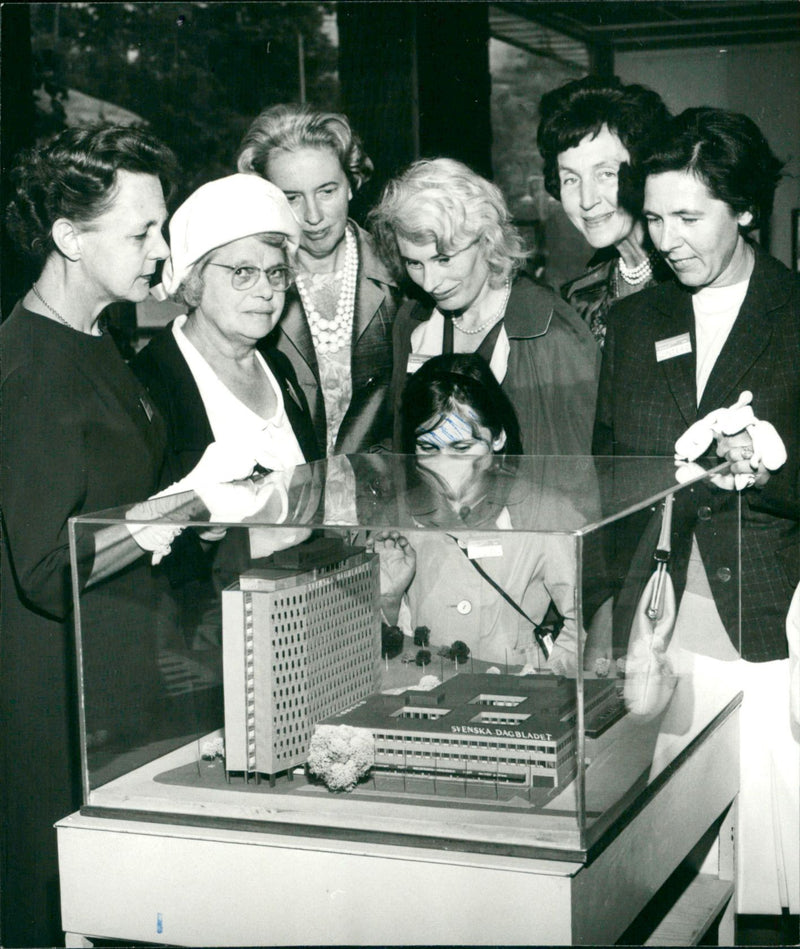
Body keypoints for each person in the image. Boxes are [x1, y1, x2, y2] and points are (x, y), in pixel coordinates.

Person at [594, 108, 799, 923]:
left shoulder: (795, 314)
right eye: (653, 219)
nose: (667, 240)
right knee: (671, 874)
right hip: (660, 630)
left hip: (767, 627)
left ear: (744, 208)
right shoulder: (633, 320)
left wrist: (774, 463)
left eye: (688, 217)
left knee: (768, 864)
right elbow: (609, 473)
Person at [0, 124, 179, 948]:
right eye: (142, 232)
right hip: (49, 708)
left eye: (161, 227)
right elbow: (45, 569)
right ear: (69, 238)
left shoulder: (95, 338)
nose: (161, 250)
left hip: (107, 682)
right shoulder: (29, 369)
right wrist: (167, 517)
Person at [132, 173, 321, 639]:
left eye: (276, 273)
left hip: (303, 617)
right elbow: (142, 551)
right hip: (204, 637)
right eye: (242, 272)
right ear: (194, 278)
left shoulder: (279, 366)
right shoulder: (151, 381)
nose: (266, 291)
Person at [368, 353, 584, 673]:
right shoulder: (395, 519)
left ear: (498, 437)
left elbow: (581, 622)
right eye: (428, 448)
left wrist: (548, 681)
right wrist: (388, 600)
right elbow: (376, 645)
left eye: (461, 448)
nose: (444, 467)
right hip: (427, 688)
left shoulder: (544, 513)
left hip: (515, 691)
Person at [368, 157, 600, 455]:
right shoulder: (412, 321)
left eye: (443, 259)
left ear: (487, 239)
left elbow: (578, 469)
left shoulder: (552, 333)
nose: (429, 283)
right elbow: (403, 444)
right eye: (414, 263)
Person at [236, 103, 401, 455]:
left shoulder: (400, 271)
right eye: (292, 197)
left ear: (351, 185)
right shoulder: (249, 286)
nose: (313, 216)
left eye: (327, 191)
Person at [537, 75, 674, 344]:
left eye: (606, 174)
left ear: (644, 173)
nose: (587, 200)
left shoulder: (691, 281)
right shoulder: (580, 300)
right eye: (571, 179)